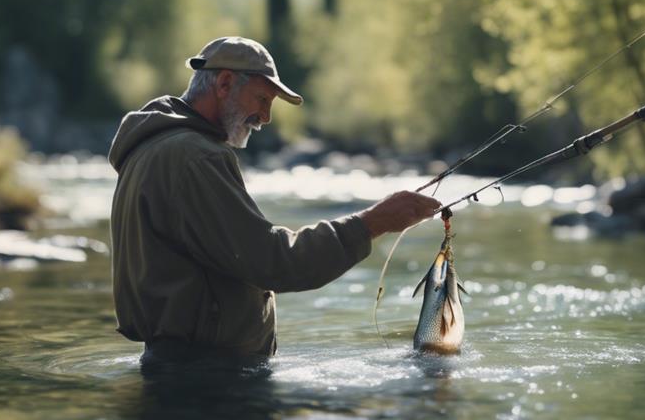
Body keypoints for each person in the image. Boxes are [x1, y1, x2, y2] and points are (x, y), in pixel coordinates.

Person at [108, 36, 441, 362]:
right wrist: (372, 223)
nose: (265, 117)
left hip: (182, 366)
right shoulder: (195, 157)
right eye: (262, 99)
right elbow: (273, 262)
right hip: (205, 377)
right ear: (224, 84)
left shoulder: (153, 148)